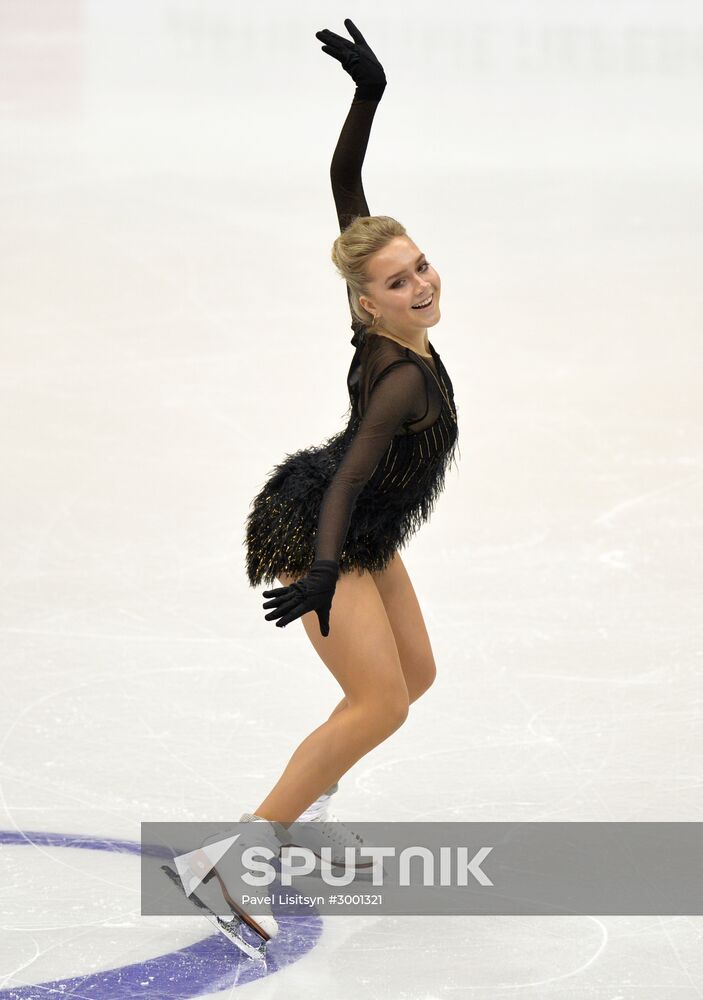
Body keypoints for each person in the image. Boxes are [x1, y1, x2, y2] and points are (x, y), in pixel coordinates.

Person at [214, 18, 460, 953]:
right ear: (370, 303)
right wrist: (320, 572)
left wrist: (366, 98)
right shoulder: (396, 376)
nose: (420, 284)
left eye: (421, 265)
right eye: (401, 283)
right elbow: (353, 471)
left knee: (413, 678)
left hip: (355, 525)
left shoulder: (381, 326)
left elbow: (346, 197)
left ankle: (309, 821)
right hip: (321, 520)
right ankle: (239, 851)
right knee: (379, 701)